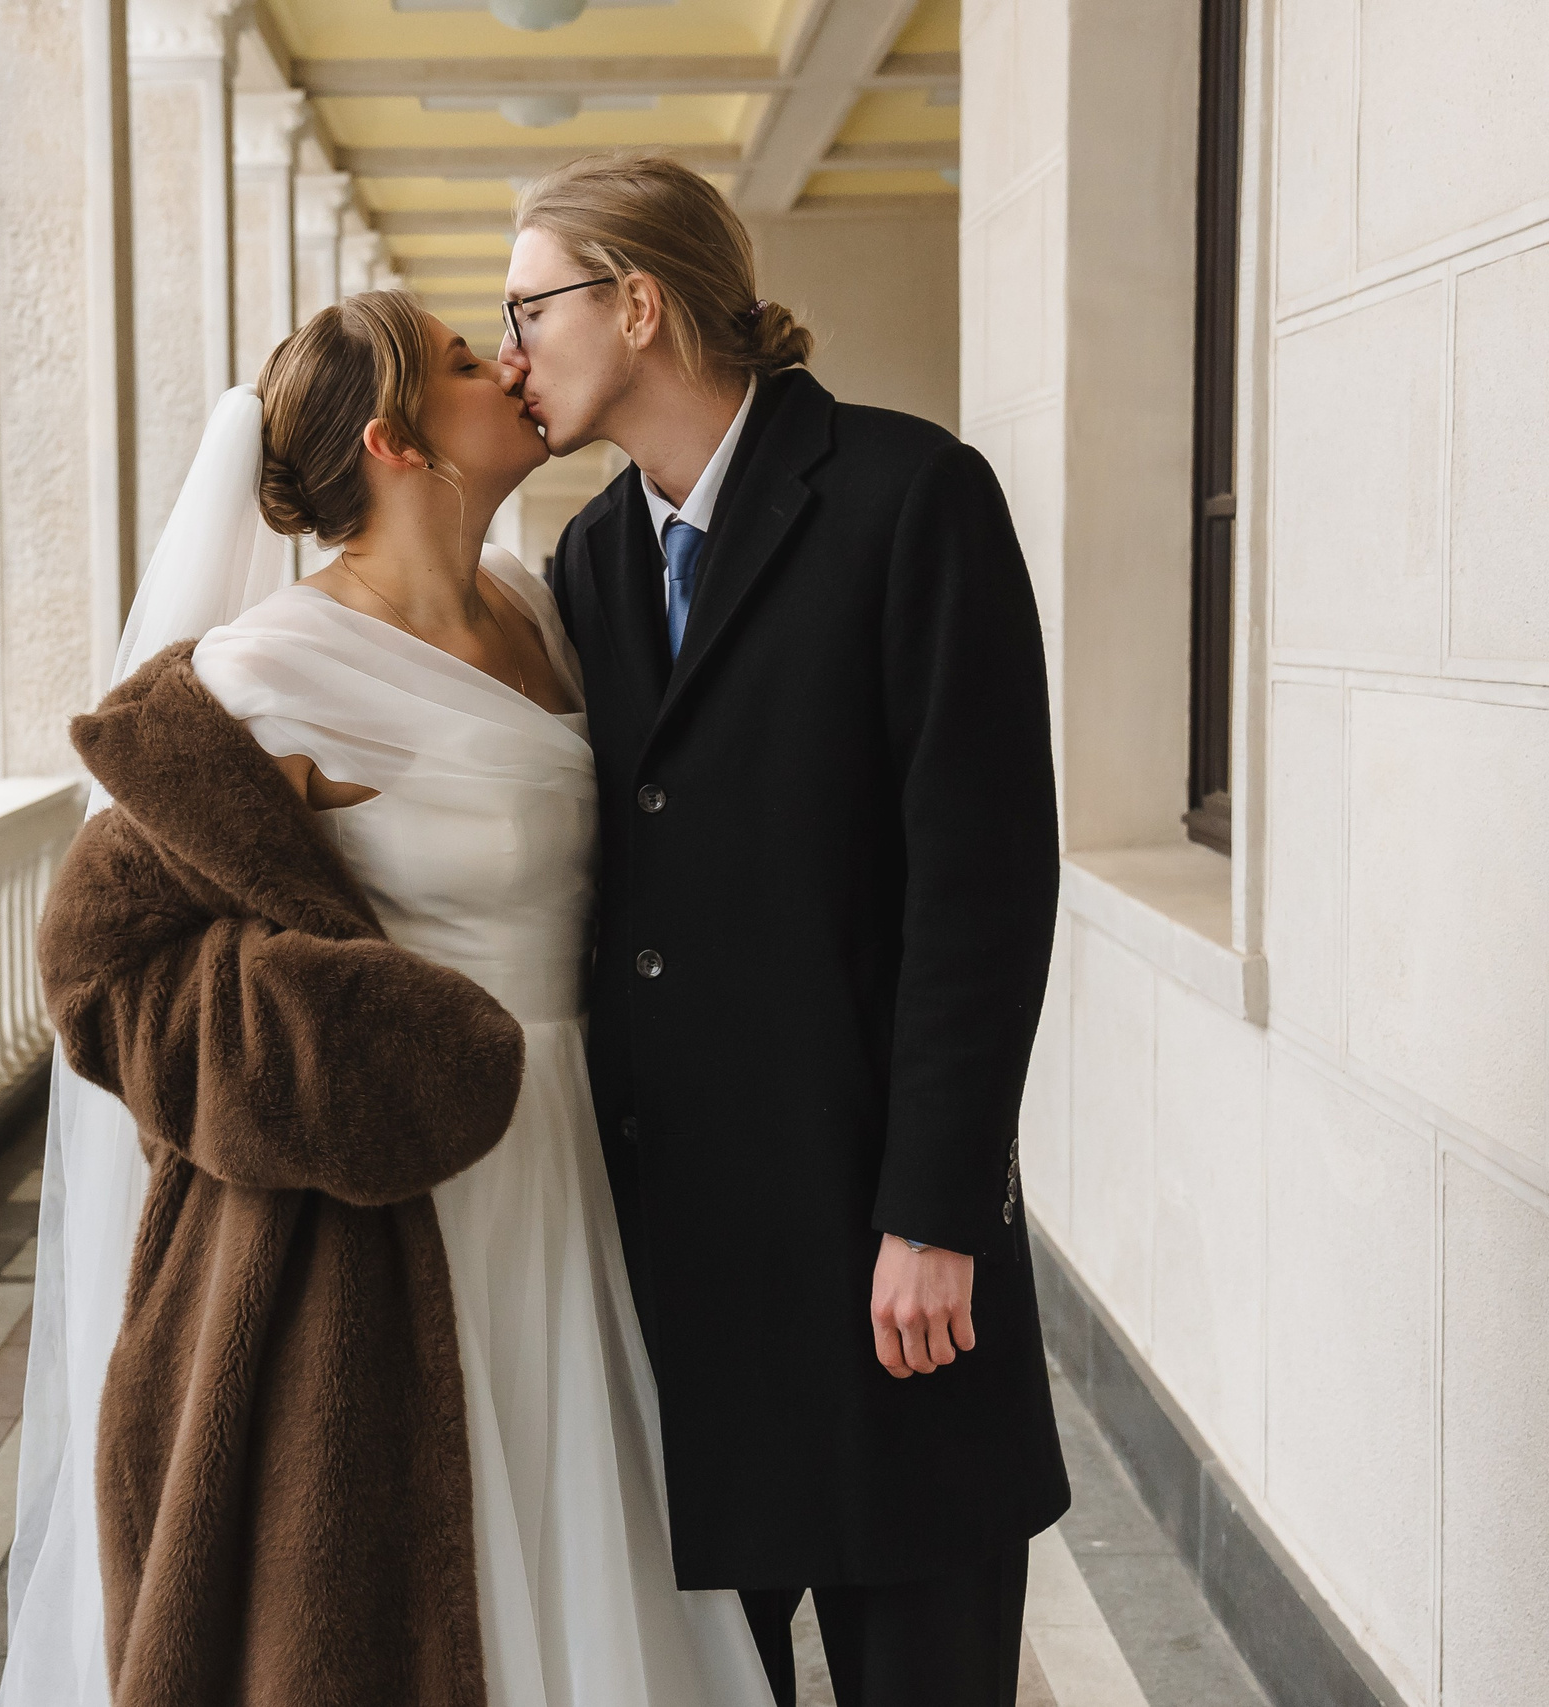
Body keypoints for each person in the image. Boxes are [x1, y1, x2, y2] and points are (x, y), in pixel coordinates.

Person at [0, 294, 773, 1707]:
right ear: (395, 438)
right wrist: (322, 1028)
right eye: (472, 362)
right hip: (414, 1184)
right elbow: (98, 963)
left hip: (589, 1162)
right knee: (438, 1563)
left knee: (598, 1537)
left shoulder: (547, 610)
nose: (514, 366)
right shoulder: (262, 673)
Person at [496, 152, 1070, 1707]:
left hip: (891, 1263)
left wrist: (938, 1210)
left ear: (639, 302)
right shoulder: (593, 563)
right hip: (686, 1282)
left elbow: (986, 884)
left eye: (527, 305)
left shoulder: (910, 496)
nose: (507, 353)